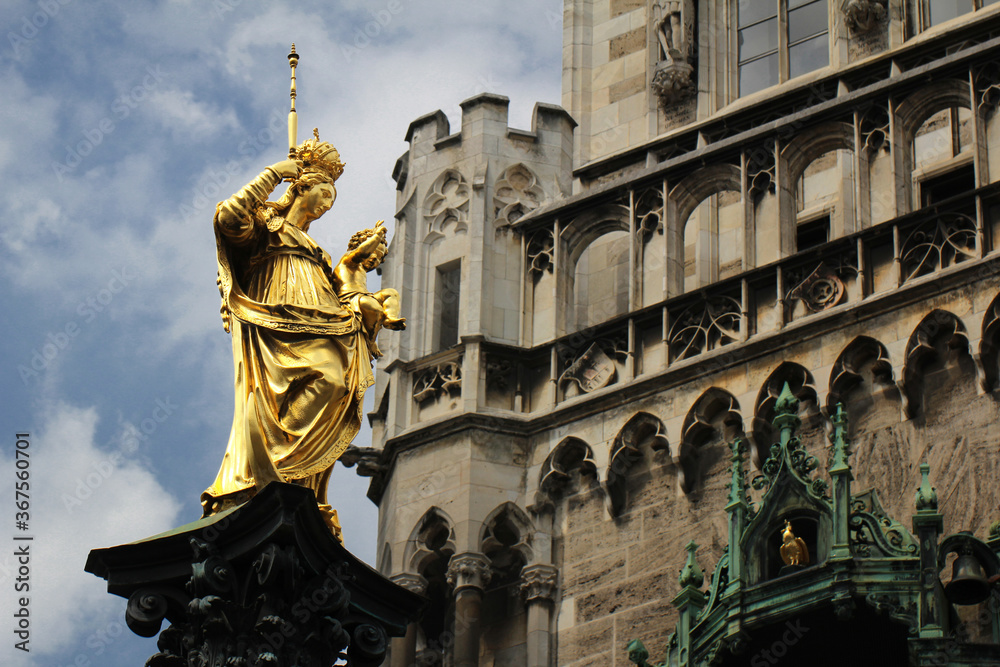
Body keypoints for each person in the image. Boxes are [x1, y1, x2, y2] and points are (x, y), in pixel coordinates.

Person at [202, 130, 393, 540]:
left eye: (332, 198)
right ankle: (271, 467)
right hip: (276, 321)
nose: (326, 204)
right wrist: (272, 174)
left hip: (322, 318)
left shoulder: (318, 252)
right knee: (320, 379)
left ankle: (295, 477)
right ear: (301, 187)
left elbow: (347, 295)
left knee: (338, 384)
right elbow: (228, 218)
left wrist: (359, 274)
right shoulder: (266, 227)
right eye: (323, 193)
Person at [333, 219, 406, 359]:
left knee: (391, 293)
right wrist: (377, 236)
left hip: (363, 297)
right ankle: (370, 342)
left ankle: (389, 318)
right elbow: (361, 253)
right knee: (375, 309)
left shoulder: (361, 271)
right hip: (349, 299)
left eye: (379, 258)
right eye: (373, 253)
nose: (375, 259)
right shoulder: (349, 260)